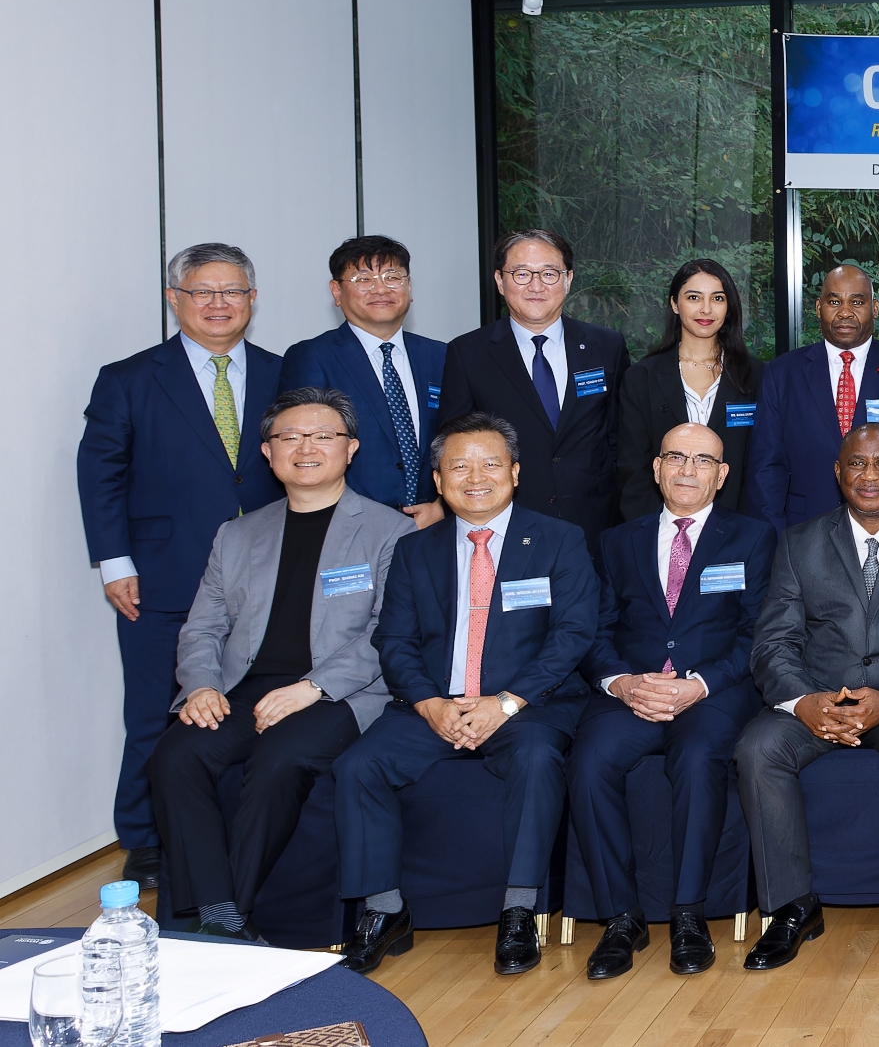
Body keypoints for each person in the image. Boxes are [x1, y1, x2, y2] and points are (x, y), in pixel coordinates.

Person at [336, 411, 600, 976]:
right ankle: (384, 911)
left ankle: (519, 911)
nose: (475, 476)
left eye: (490, 464)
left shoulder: (560, 540)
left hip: (528, 704)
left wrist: (504, 702)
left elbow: (573, 635)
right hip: (434, 702)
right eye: (459, 465)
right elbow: (395, 640)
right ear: (438, 479)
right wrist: (431, 704)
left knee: (534, 758)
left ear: (516, 472)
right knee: (360, 764)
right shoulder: (415, 551)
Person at [147, 388, 415, 941]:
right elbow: (202, 628)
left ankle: (229, 920)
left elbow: (385, 635)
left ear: (351, 449)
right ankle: (219, 908)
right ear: (268, 454)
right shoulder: (238, 533)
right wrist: (199, 686)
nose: (306, 448)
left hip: (340, 692)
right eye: (288, 437)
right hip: (242, 689)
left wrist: (311, 688)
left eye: (323, 436)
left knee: (280, 760)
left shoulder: (391, 531)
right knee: (176, 754)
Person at [79, 242, 286, 889]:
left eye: (233, 292)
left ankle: (229, 827)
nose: (219, 304)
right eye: (204, 292)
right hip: (161, 574)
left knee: (251, 706)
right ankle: (143, 839)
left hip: (267, 571)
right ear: (176, 300)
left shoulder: (286, 374)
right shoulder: (130, 378)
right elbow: (100, 474)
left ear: (252, 300)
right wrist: (115, 562)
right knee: (153, 712)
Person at [737, 422, 879, 968]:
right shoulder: (799, 543)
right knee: (757, 747)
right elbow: (773, 643)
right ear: (838, 472)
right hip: (819, 700)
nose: (870, 476)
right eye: (857, 465)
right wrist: (805, 702)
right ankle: (792, 907)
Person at [570, 423, 775, 980]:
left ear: (722, 474)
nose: (688, 469)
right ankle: (621, 918)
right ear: (656, 467)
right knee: (588, 762)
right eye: (676, 457)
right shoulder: (617, 541)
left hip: (712, 693)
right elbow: (594, 631)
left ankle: (689, 913)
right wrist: (621, 682)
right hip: (630, 694)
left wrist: (698, 685)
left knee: (698, 757)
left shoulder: (754, 538)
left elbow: (758, 635)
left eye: (703, 460)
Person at [438, 229, 632, 551]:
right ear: (500, 281)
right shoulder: (467, 353)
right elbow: (453, 447)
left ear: (568, 279)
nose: (536, 285)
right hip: (508, 523)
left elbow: (619, 436)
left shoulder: (606, 346)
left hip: (594, 523)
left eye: (549, 273)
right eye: (522, 274)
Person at [277, 235, 448, 528]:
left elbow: (457, 439)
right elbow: (303, 449)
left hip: (431, 527)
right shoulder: (312, 356)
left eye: (392, 277)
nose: (380, 288)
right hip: (347, 528)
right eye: (363, 278)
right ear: (336, 291)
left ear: (409, 288)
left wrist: (442, 507)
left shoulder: (441, 355)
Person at [749, 264, 879, 530]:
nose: (845, 312)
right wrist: (775, 540)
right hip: (804, 530)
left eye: (857, 301)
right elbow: (766, 467)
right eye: (834, 301)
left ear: (874, 308)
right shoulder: (782, 373)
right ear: (819, 308)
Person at [615, 259, 762, 519]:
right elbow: (632, 469)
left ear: (729, 307)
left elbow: (762, 465)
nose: (706, 309)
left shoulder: (757, 377)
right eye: (694, 297)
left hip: (738, 527)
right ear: (674, 303)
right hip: (660, 526)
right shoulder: (641, 378)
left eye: (717, 298)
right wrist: (650, 534)